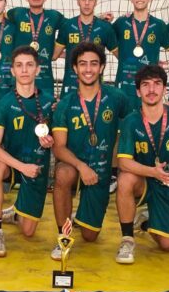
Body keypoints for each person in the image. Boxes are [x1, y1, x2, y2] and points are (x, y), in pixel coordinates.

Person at [115, 65, 169, 264]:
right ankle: (127, 239)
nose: (151, 90)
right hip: (144, 180)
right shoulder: (131, 121)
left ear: (165, 89)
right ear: (138, 91)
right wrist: (153, 172)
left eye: (157, 84)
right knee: (125, 179)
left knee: (167, 246)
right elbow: (123, 162)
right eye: (145, 85)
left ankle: (147, 220)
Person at [51, 42, 128, 258]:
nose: (88, 69)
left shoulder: (116, 98)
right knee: (63, 174)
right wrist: (81, 166)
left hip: (101, 173)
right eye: (82, 64)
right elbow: (59, 147)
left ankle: (79, 214)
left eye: (94, 64)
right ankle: (63, 237)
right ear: (74, 68)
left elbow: (138, 121)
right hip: (75, 166)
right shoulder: (65, 104)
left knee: (89, 236)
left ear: (102, 67)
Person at [0, 46, 55, 257]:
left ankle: (15, 214)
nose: (24, 70)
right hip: (13, 165)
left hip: (37, 167)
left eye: (29, 65)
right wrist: (21, 167)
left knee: (28, 232)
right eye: (19, 65)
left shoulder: (49, 102)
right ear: (13, 71)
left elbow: (57, 140)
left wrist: (49, 142)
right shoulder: (3, 104)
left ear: (38, 69)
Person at [112, 0, 169, 113]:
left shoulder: (159, 25)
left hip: (149, 87)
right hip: (124, 85)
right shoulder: (121, 22)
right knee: (122, 126)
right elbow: (106, 39)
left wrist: (168, 62)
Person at [54, 0, 118, 96]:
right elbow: (54, 55)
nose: (87, 3)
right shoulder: (67, 26)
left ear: (96, 2)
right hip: (70, 87)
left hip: (94, 87)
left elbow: (121, 57)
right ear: (78, 2)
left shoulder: (105, 28)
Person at [7, 0, 64, 96]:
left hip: (45, 78)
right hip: (20, 77)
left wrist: (99, 17)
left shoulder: (54, 16)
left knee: (45, 111)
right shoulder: (17, 13)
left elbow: (74, 26)